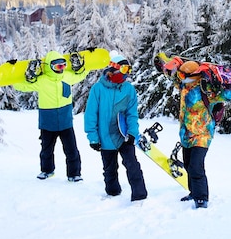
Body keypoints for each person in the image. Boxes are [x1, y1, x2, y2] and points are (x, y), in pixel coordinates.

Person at [166, 58, 231, 209]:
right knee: (188, 165)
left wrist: (229, 86)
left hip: (202, 134)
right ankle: (193, 192)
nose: (182, 78)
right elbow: (172, 76)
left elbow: (227, 96)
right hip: (186, 134)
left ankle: (202, 198)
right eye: (181, 76)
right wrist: (164, 64)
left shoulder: (207, 89)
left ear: (195, 75)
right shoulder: (184, 86)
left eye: (185, 76)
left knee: (196, 166)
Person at [13, 50, 88, 182]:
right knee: (46, 150)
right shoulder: (42, 80)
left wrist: (83, 67)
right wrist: (21, 75)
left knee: (71, 149)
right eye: (57, 66)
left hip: (65, 121)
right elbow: (22, 86)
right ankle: (47, 170)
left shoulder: (67, 76)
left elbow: (80, 75)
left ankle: (74, 173)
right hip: (48, 121)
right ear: (49, 66)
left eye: (63, 65)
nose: (61, 69)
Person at [84, 53, 148, 202]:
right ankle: (112, 193)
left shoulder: (128, 89)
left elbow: (132, 114)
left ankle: (140, 196)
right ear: (113, 70)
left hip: (123, 134)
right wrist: (93, 137)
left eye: (129, 70)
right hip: (105, 136)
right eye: (125, 69)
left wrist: (132, 132)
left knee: (132, 165)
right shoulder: (98, 89)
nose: (127, 74)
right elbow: (91, 114)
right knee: (109, 169)